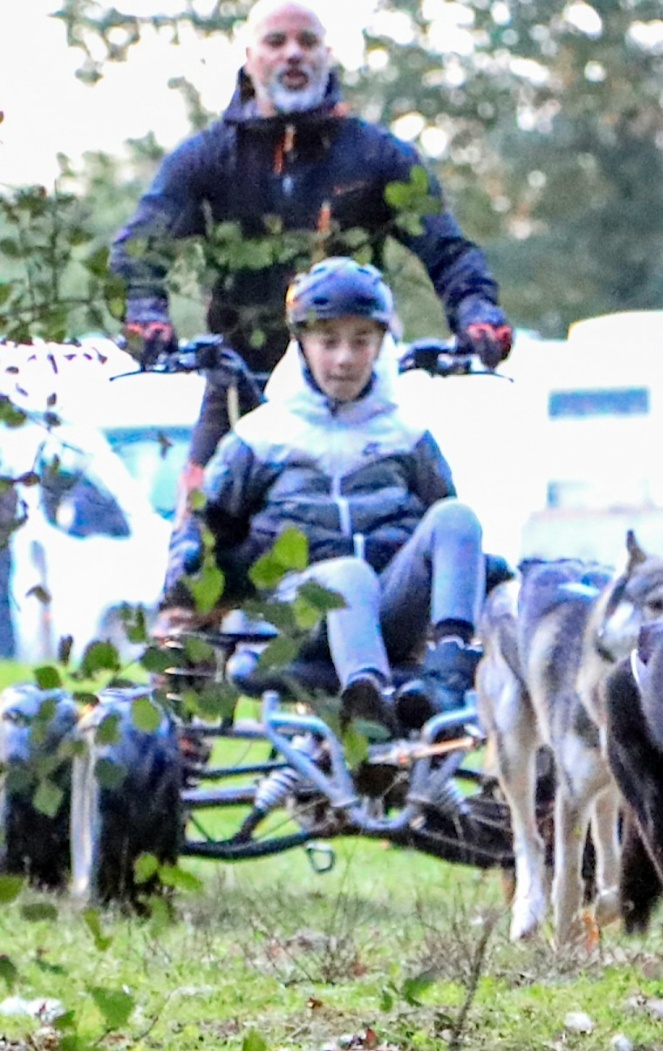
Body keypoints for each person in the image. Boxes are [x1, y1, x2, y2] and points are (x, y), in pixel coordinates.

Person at [110, 0, 510, 494]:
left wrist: (477, 311)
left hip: (357, 384)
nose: (293, 54)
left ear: (328, 54)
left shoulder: (379, 156)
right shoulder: (207, 158)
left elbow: (447, 250)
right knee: (196, 537)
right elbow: (143, 245)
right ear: (250, 56)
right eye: (277, 42)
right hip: (241, 382)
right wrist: (145, 312)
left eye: (307, 42)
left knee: (426, 514)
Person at [164, 259, 485, 732]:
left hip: (392, 609)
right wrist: (188, 569)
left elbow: (447, 544)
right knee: (345, 575)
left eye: (361, 341)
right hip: (298, 618)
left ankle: (446, 679)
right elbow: (203, 525)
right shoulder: (260, 437)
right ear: (301, 345)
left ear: (381, 344)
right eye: (328, 341)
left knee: (456, 516)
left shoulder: (407, 436)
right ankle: (368, 700)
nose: (344, 359)